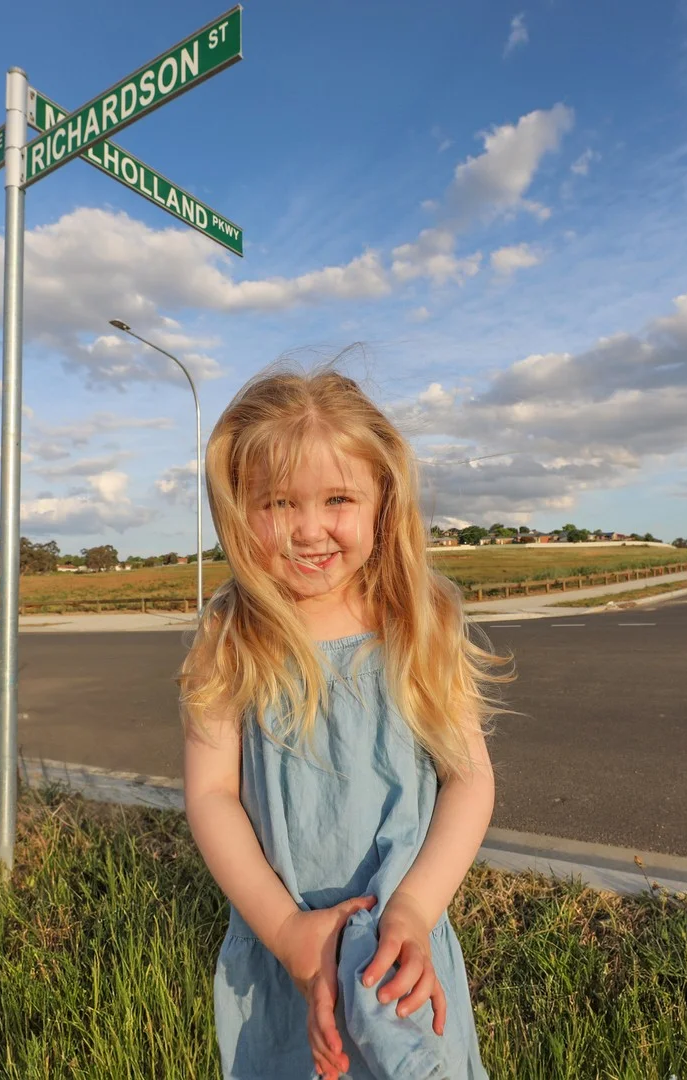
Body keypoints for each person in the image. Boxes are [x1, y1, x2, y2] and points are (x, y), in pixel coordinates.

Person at [178, 363, 514, 1079]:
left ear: (382, 501)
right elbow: (210, 795)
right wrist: (287, 932)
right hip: (283, 946)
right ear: (239, 510)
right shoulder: (231, 635)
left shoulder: (420, 621)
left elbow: (469, 780)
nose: (308, 531)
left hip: (400, 952)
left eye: (337, 499)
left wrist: (416, 912)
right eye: (276, 504)